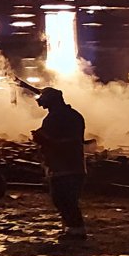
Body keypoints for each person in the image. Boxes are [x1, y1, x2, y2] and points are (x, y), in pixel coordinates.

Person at [32, 87, 88, 239]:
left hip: (62, 166)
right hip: (74, 166)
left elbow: (59, 141)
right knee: (68, 200)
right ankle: (71, 229)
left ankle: (76, 230)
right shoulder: (74, 115)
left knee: (63, 199)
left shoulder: (54, 118)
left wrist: (42, 139)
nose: (42, 104)